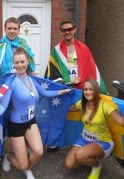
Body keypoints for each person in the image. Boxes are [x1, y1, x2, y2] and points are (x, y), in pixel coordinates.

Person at [0, 48, 71, 179]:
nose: (20, 65)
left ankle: (27, 168)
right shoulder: (11, 82)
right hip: (16, 126)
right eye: (16, 62)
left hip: (30, 122)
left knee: (39, 152)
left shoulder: (32, 80)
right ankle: (9, 157)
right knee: (22, 165)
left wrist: (62, 92)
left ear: (27, 61)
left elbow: (45, 93)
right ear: (13, 63)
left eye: (22, 62)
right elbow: (3, 105)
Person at [44, 19, 108, 152]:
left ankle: (81, 142)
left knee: (82, 116)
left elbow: (91, 68)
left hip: (82, 90)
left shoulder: (84, 48)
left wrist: (96, 89)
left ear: (74, 30)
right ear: (61, 32)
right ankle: (58, 142)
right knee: (62, 114)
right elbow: (52, 72)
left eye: (69, 29)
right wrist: (67, 81)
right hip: (65, 89)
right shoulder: (56, 51)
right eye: (64, 30)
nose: (67, 32)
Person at [65, 79, 124, 179]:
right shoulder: (82, 103)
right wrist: (58, 96)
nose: (88, 92)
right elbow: (69, 108)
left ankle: (96, 165)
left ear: (96, 91)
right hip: (84, 139)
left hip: (102, 142)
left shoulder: (105, 106)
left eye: (91, 89)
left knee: (80, 155)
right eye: (85, 89)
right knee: (69, 165)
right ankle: (86, 156)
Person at [0, 17, 35, 92]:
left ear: (19, 30)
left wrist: (37, 81)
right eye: (9, 28)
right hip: (4, 82)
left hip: (21, 82)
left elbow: (30, 67)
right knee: (1, 104)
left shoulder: (24, 46)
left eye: (15, 29)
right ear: (5, 29)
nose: (12, 31)